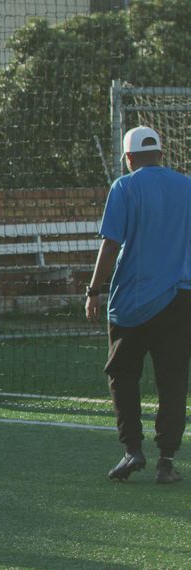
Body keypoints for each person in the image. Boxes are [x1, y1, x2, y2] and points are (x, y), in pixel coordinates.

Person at [87, 126, 191, 484]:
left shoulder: (124, 187)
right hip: (180, 299)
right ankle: (167, 460)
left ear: (128, 158)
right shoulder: (187, 187)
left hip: (131, 302)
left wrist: (93, 290)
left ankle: (132, 449)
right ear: (162, 154)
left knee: (123, 375)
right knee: (173, 379)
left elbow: (111, 244)